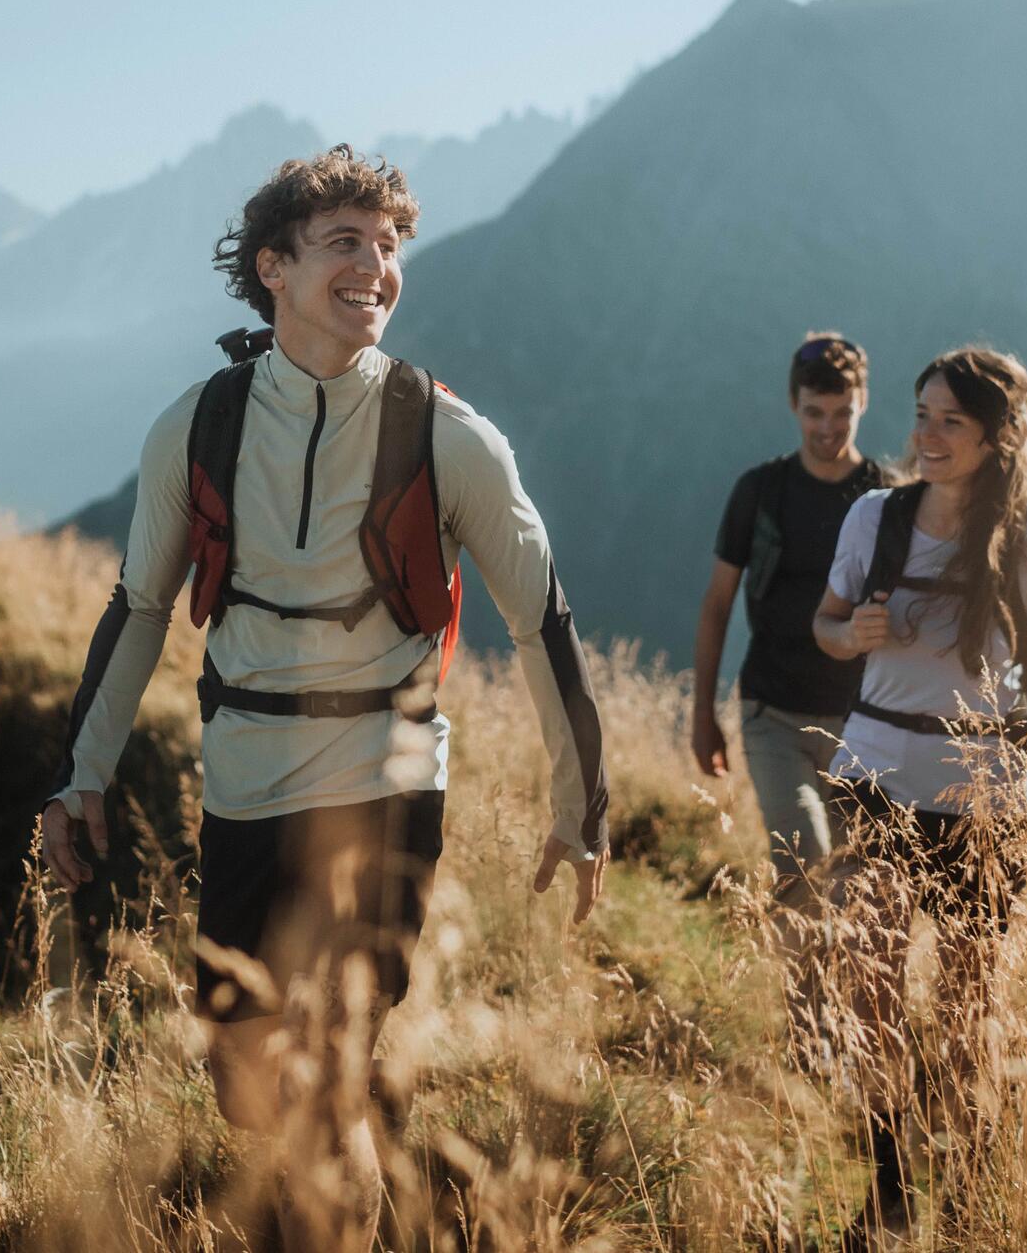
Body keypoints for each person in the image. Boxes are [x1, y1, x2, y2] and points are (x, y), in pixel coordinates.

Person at [40, 144, 609, 1253]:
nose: (377, 267)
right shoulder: (198, 425)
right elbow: (139, 609)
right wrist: (82, 773)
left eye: (389, 246)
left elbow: (542, 618)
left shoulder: (448, 435)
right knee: (243, 1072)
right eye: (345, 242)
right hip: (247, 776)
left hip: (385, 778)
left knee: (339, 1052)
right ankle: (353, 1199)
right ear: (275, 268)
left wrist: (577, 806)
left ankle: (351, 1226)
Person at [811, 346, 1027, 1249]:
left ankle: (966, 1187)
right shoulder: (873, 517)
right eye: (923, 415)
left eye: (951, 422)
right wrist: (851, 632)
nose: (927, 436)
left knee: (969, 1007)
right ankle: (891, 1196)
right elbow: (826, 625)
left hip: (989, 798)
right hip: (878, 778)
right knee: (875, 990)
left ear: (997, 436)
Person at [690, 333, 887, 884]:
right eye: (814, 412)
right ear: (793, 406)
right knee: (802, 871)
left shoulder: (884, 500)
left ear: (862, 403)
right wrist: (702, 715)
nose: (828, 427)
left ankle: (847, 976)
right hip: (771, 714)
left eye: (842, 412)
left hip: (863, 726)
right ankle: (802, 974)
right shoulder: (760, 492)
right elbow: (716, 607)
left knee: (860, 890)